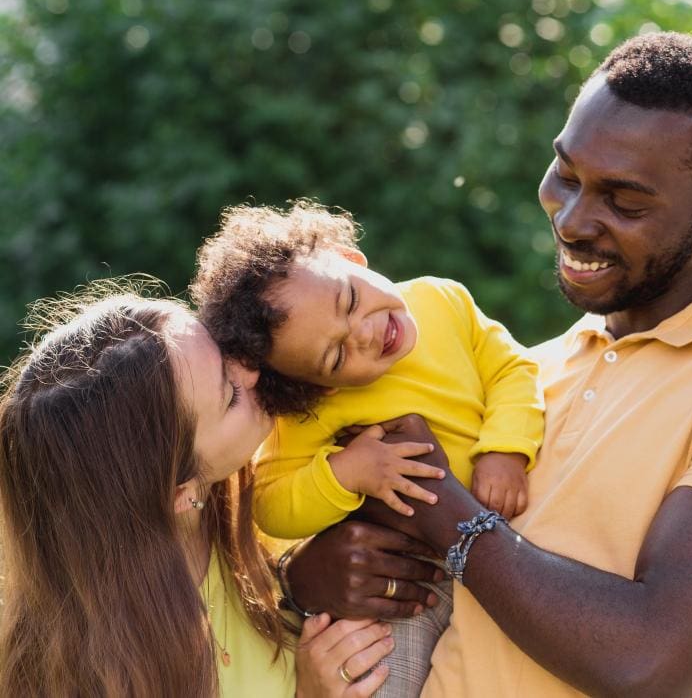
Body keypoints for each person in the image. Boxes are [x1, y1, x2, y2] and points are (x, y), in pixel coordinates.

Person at [276, 31, 692, 697]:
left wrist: (444, 508)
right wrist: (311, 576)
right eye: (566, 172)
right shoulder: (528, 371)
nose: (573, 219)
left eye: (624, 201)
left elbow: (650, 660)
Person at [190, 202, 544, 695]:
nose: (365, 333)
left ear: (350, 260)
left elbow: (513, 370)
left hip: (511, 544)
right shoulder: (313, 412)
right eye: (336, 355)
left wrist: (505, 450)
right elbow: (272, 504)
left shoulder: (444, 301)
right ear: (321, 386)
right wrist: (343, 474)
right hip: (407, 582)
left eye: (350, 299)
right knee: (374, 681)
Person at [0, 280, 398, 697]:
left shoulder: (255, 475)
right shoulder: (100, 679)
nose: (253, 369)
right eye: (229, 396)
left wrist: (296, 577)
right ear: (179, 494)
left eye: (224, 350)